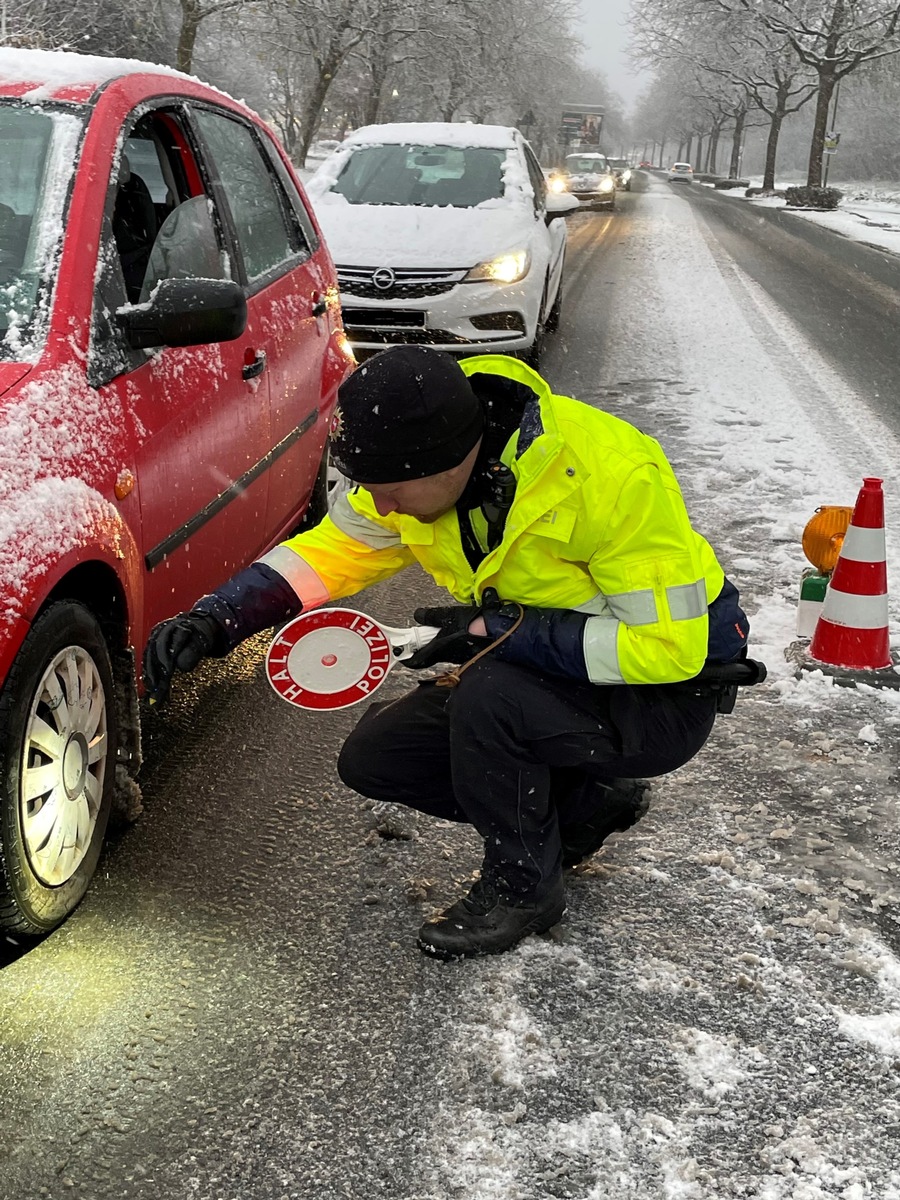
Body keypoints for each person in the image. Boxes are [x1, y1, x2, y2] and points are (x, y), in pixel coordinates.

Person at [143, 346, 760, 961]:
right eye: (367, 488)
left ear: (446, 462)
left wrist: (497, 629)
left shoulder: (609, 478)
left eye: (389, 491)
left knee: (489, 699)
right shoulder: (413, 458)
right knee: (377, 757)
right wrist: (217, 620)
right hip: (551, 670)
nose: (380, 507)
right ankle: (587, 807)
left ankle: (524, 889)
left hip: (662, 696)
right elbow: (329, 551)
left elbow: (666, 651)